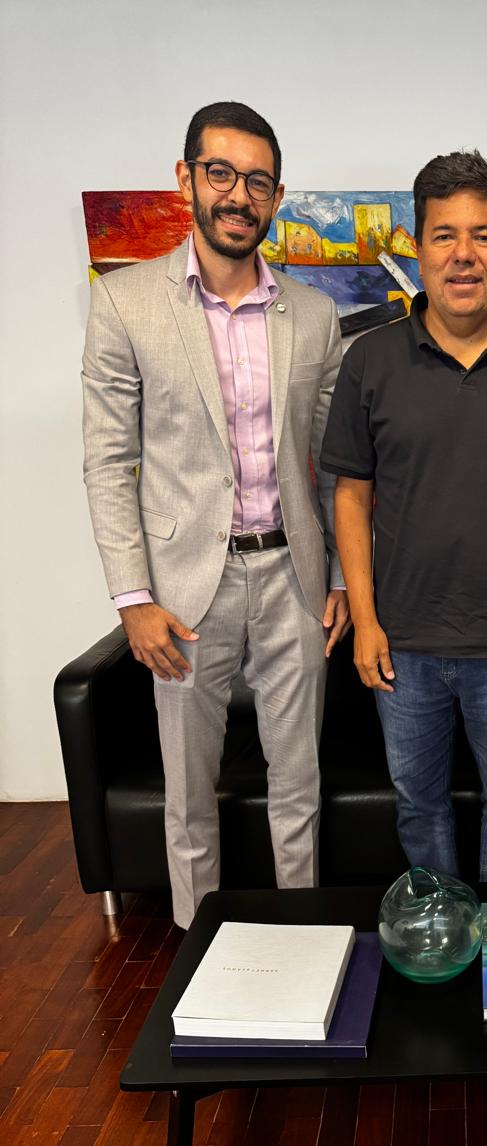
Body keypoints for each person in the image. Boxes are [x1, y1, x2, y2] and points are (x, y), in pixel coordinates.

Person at [82, 101, 349, 928]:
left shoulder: (314, 314)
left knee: (298, 785)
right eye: (221, 173)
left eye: (258, 181)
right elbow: (107, 461)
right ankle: (199, 948)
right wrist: (133, 598)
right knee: (189, 796)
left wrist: (341, 576)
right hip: (183, 591)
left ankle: (300, 939)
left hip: (295, 577)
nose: (239, 195)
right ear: (187, 178)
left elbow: (336, 465)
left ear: (277, 197)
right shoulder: (125, 303)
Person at [321, 151, 487, 881]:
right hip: (402, 646)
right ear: (419, 247)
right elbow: (351, 495)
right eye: (444, 235)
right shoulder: (370, 361)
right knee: (418, 805)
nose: (463, 254)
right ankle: (441, 927)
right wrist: (366, 621)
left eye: (482, 235)